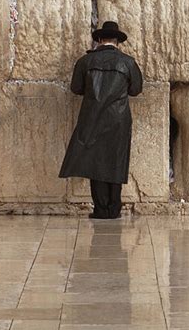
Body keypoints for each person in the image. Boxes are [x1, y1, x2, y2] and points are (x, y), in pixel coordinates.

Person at [59, 21, 143, 219]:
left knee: (94, 162)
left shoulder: (85, 62)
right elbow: (136, 90)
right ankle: (114, 208)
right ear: (117, 42)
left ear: (98, 40)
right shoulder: (128, 62)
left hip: (91, 117)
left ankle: (100, 209)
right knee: (116, 160)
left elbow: (76, 88)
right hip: (118, 119)